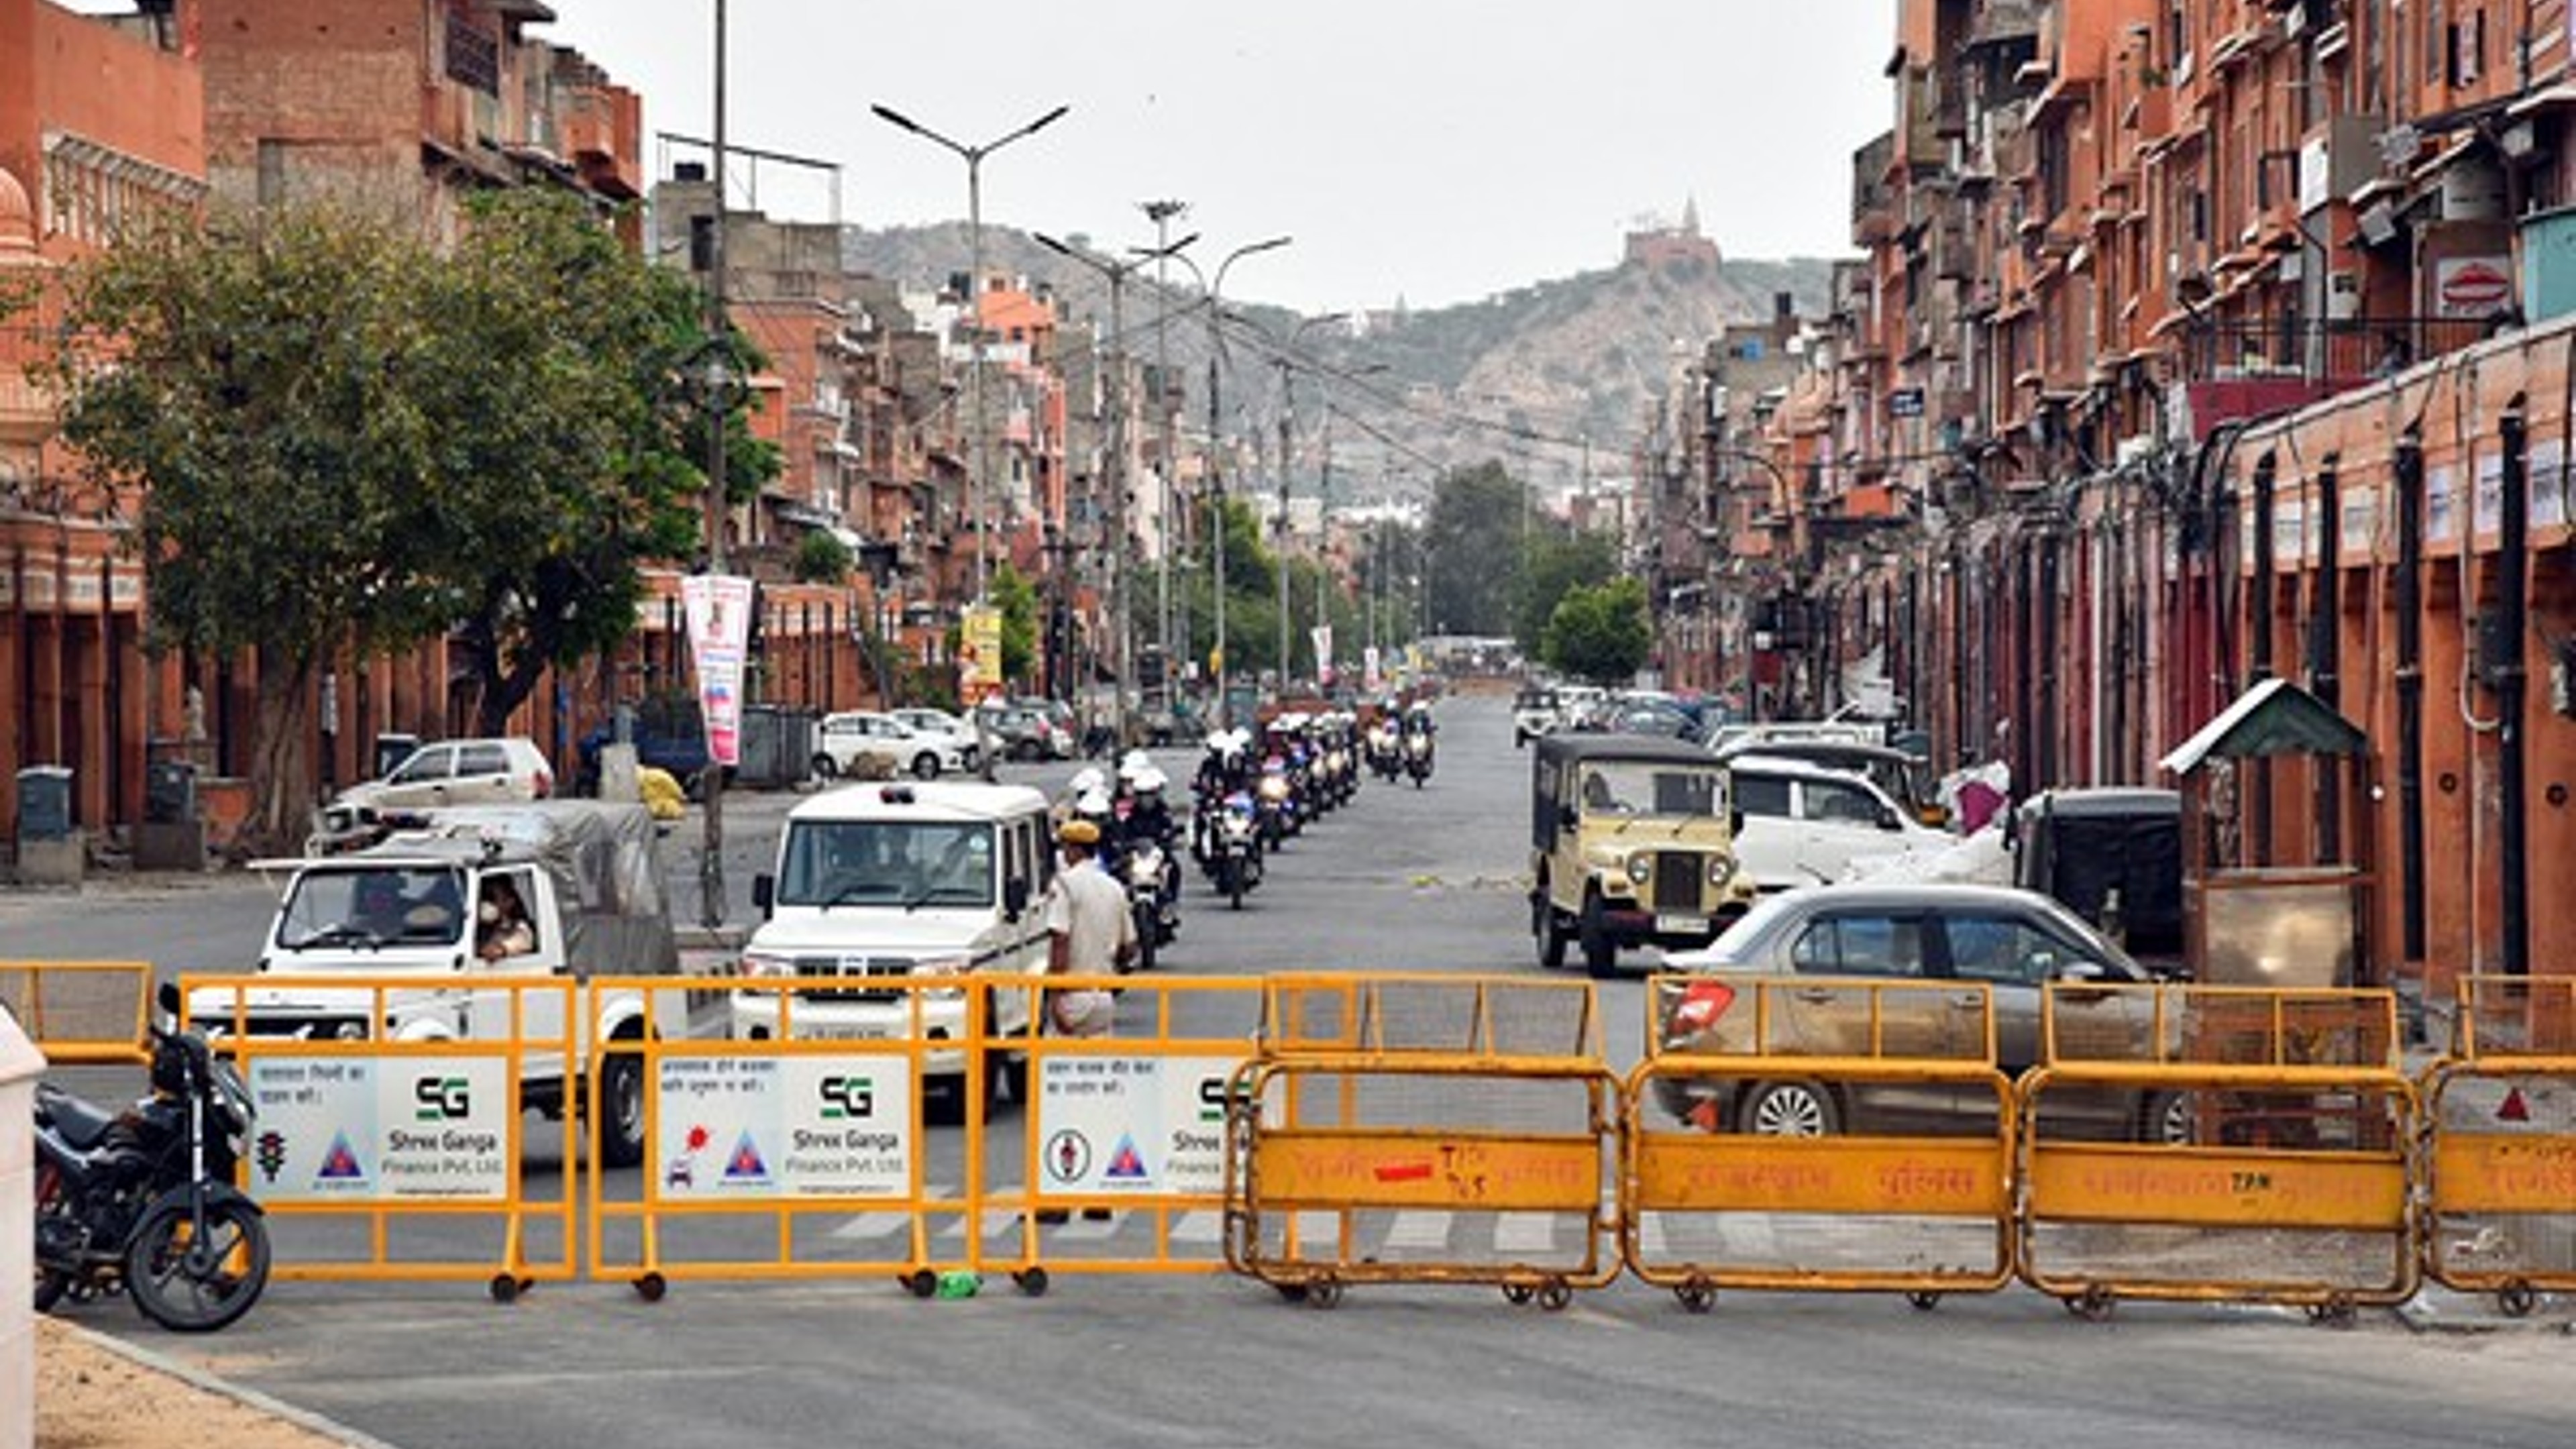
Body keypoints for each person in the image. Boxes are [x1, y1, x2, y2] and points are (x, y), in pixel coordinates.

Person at [1038, 818, 1132, 1224]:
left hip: (1072, 998)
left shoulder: (1066, 885)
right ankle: (1098, 1198)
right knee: (1097, 1098)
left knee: (1057, 1104)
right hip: (1102, 999)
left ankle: (1056, 1200)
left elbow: (1059, 940)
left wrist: (1056, 994)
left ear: (1071, 850)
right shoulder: (1114, 888)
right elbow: (1129, 949)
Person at [476, 876, 536, 961]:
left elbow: (522, 941)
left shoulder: (519, 927)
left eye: (492, 899)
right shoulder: (478, 929)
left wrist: (501, 949)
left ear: (510, 902)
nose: (486, 904)